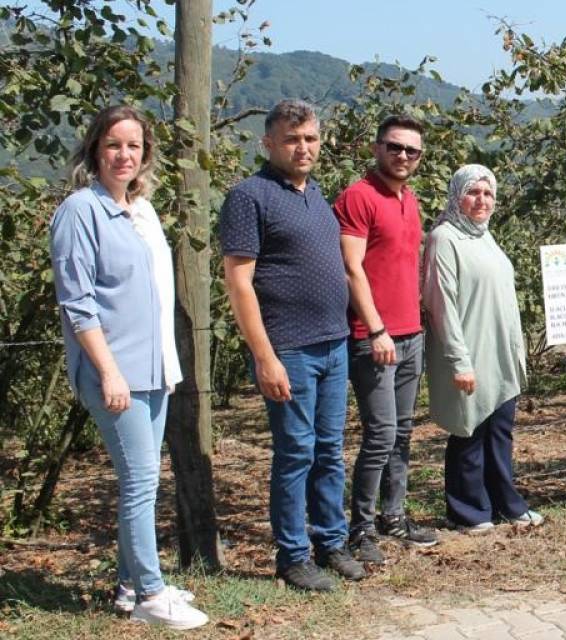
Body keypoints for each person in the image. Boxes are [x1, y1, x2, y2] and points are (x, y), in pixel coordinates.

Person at [50, 105, 208, 629]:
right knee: (140, 481)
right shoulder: (81, 210)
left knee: (143, 481)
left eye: (134, 146)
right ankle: (149, 594)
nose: (124, 155)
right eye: (114, 144)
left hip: (154, 368)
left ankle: (127, 586)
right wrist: (109, 371)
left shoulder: (139, 210)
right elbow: (79, 303)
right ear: (95, 149)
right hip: (116, 373)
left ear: (145, 154)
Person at [220, 100, 364, 591]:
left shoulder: (315, 194)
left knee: (329, 450)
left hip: (333, 344)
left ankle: (331, 542)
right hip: (290, 351)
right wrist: (265, 357)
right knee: (296, 453)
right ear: (268, 143)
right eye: (292, 139)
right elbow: (239, 284)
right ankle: (293, 555)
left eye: (310, 139)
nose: (303, 148)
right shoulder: (249, 197)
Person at [334, 115, 438, 563]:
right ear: (377, 148)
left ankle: (393, 517)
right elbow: (350, 267)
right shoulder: (358, 197)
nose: (403, 156)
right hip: (373, 336)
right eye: (395, 147)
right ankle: (360, 530)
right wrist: (375, 328)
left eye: (412, 151)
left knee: (401, 433)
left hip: (410, 332)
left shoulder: (408, 198)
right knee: (379, 434)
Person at [422, 164, 543, 534]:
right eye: (473, 192)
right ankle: (468, 511)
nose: (482, 200)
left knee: (499, 433)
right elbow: (441, 303)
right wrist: (460, 361)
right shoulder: (445, 238)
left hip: (500, 354)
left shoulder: (485, 236)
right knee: (468, 432)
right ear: (457, 195)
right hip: (469, 354)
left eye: (488, 194)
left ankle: (506, 503)